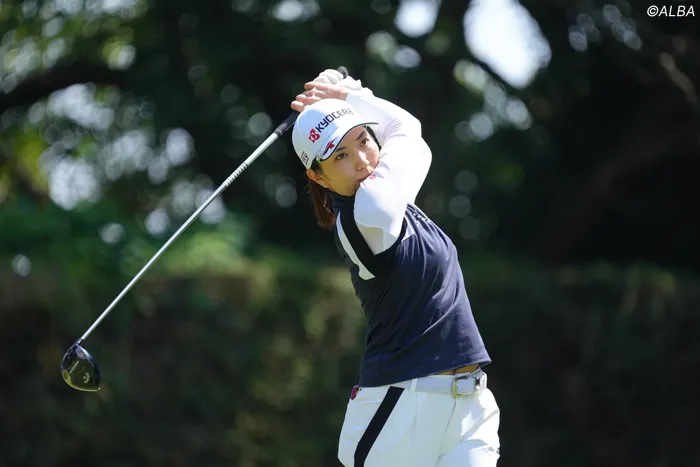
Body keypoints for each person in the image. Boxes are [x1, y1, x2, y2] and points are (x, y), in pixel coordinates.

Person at [289, 69, 501, 467]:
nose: (362, 160)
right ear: (318, 177)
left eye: (363, 140)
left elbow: (404, 135)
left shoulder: (396, 202)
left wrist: (348, 96)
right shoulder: (371, 209)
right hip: (401, 408)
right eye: (340, 156)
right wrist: (351, 94)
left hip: (469, 404)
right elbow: (407, 128)